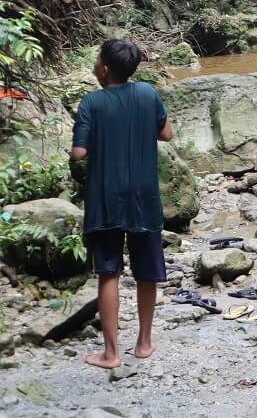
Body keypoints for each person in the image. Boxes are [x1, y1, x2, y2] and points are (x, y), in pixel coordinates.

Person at [70, 40, 174, 369]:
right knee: (146, 272)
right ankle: (144, 343)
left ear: (104, 68)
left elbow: (79, 153)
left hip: (105, 197)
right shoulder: (147, 94)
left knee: (109, 273)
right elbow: (167, 134)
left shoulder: (92, 102)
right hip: (144, 196)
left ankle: (111, 353)